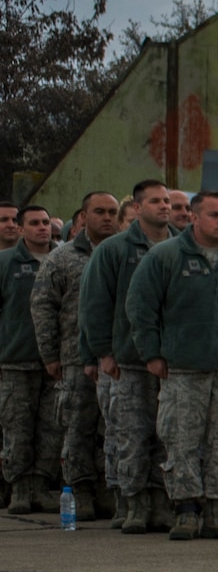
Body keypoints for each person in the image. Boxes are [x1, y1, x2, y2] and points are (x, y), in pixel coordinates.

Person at [124, 190, 218, 541]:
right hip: (184, 369)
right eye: (216, 216)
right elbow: (141, 308)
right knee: (181, 439)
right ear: (194, 217)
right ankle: (186, 510)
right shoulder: (166, 256)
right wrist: (152, 354)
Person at [79, 179, 176, 533]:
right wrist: (103, 351)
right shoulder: (115, 249)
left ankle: (162, 503)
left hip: (173, 363)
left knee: (167, 438)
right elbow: (94, 305)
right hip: (128, 361)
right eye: (155, 201)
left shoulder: (183, 247)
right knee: (130, 436)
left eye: (167, 200)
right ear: (136, 208)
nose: (164, 206)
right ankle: (133, 503)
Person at [31, 191, 119, 520]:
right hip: (73, 359)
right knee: (77, 426)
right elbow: (42, 307)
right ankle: (80, 489)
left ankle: (106, 486)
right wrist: (50, 355)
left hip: (116, 358)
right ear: (83, 217)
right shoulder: (63, 257)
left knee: (111, 428)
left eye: (112, 211)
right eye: (99, 212)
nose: (107, 217)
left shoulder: (123, 253)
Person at [1, 204, 61, 513]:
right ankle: (19, 488)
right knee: (17, 428)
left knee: (51, 429)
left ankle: (41, 486)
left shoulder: (62, 259)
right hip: (15, 360)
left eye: (46, 222)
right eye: (35, 223)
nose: (42, 228)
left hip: (57, 363)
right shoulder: (6, 262)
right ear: (22, 229)